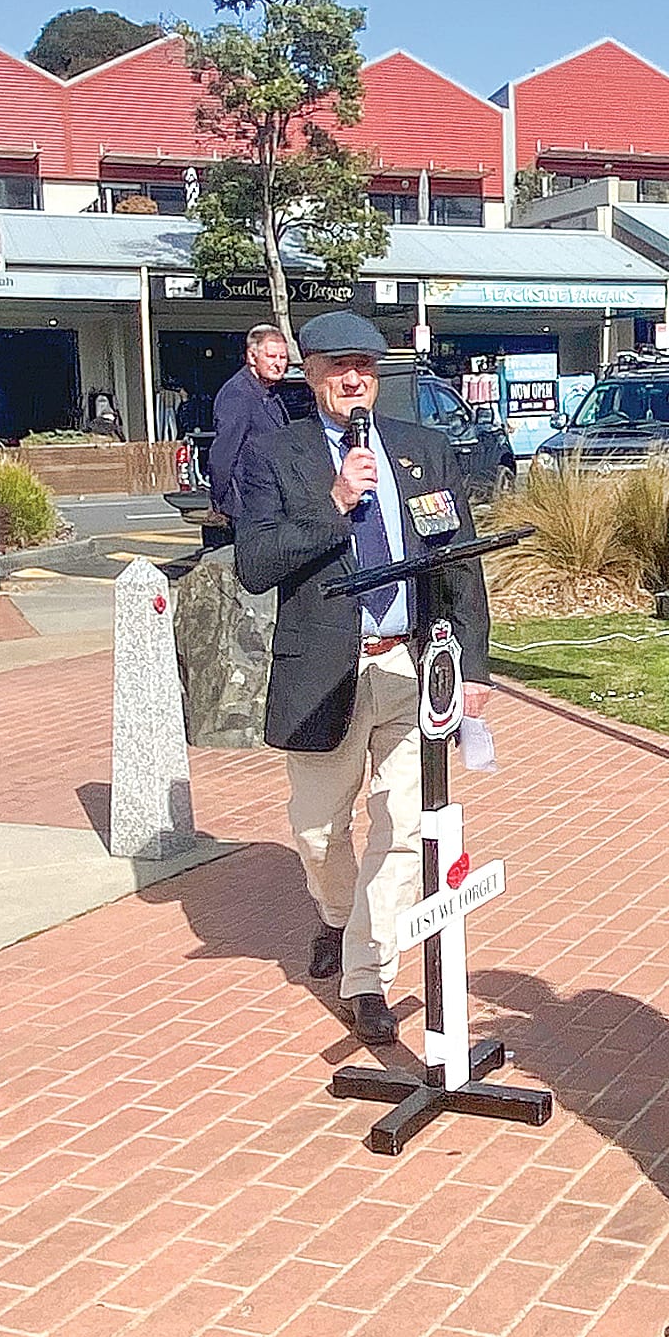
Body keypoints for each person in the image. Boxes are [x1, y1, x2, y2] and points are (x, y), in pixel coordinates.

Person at [235, 311, 492, 1045]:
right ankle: (338, 915)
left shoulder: (423, 450)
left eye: (366, 367)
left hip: (411, 668)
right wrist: (335, 503)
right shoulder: (275, 457)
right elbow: (255, 567)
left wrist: (472, 666)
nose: (354, 379)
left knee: (402, 826)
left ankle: (366, 976)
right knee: (317, 832)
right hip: (323, 673)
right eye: (338, 366)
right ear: (308, 372)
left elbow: (458, 565)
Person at [208, 325, 291, 528]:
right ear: (252, 357)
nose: (279, 364)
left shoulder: (268, 393)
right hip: (248, 506)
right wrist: (220, 503)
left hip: (271, 502)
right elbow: (223, 453)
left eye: (283, 357)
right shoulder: (238, 394)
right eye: (272, 357)